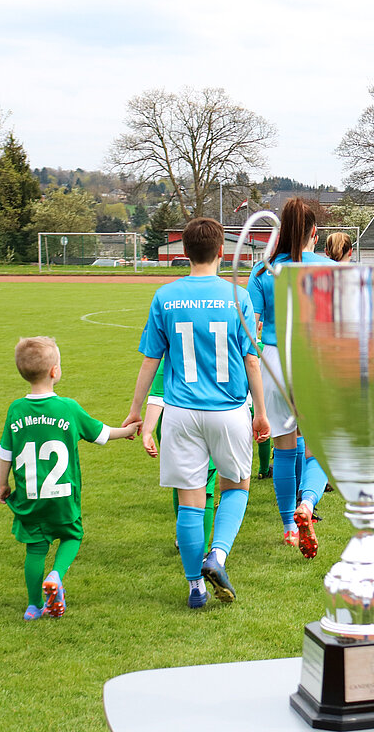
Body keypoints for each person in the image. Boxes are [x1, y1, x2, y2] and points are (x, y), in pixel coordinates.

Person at [126, 217, 270, 608]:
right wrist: (260, 413)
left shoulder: (164, 297)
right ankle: (217, 556)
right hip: (228, 410)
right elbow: (252, 362)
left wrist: (135, 410)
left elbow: (150, 361)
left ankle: (195, 587)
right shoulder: (238, 297)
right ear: (221, 252)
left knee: (191, 501)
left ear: (184, 253)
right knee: (236, 486)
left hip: (180, 414)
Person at [0, 337, 137, 620]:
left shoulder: (16, 409)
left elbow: (6, 451)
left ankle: (34, 606)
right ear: (54, 372)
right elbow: (101, 434)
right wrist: (130, 429)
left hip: (30, 497)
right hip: (62, 497)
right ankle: (57, 575)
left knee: (35, 548)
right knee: (73, 535)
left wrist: (3, 484)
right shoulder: (68, 408)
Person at [248, 199, 330, 557]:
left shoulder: (262, 271)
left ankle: (287, 527)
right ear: (314, 232)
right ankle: (308, 504)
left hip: (273, 359)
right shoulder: (327, 267)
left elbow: (250, 327)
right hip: (314, 359)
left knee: (283, 447)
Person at [142, 361, 217, 548]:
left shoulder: (174, 347)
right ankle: (202, 549)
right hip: (212, 419)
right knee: (206, 488)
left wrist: (147, 430)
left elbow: (158, 393)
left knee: (182, 483)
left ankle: (185, 538)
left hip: (175, 424)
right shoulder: (218, 342)